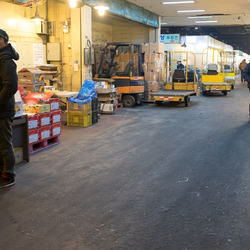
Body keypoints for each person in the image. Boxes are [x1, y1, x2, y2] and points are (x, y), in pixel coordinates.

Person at [0, 29, 19, 188]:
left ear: (5, 41)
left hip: (4, 110)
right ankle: (3, 171)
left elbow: (11, 86)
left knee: (5, 145)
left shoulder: (6, 61)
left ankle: (9, 175)